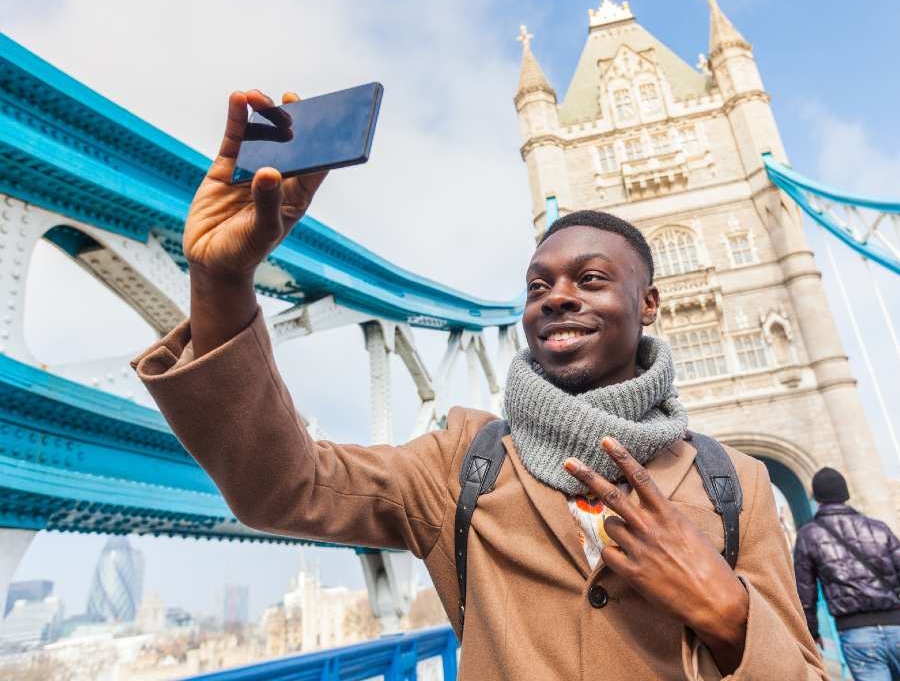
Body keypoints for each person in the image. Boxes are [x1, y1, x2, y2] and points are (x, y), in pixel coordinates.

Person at [130, 90, 826, 680]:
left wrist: (732, 618)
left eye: (589, 280)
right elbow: (285, 488)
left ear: (649, 305)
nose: (555, 297)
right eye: (536, 286)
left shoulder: (733, 482)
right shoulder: (460, 465)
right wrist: (219, 284)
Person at [794, 467, 900, 681]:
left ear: (816, 498)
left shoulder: (809, 535)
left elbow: (805, 594)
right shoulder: (878, 528)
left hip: (856, 631)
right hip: (898, 626)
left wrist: (812, 633)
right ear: (846, 494)